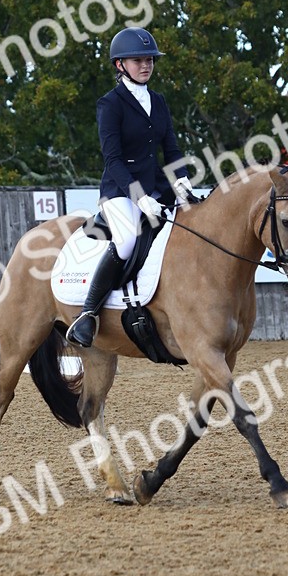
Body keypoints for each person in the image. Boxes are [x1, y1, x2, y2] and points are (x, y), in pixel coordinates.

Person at [66, 26, 194, 347]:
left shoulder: (159, 101)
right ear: (120, 65)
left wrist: (181, 180)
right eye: (138, 60)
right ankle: (88, 314)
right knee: (125, 242)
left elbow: (172, 149)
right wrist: (138, 197)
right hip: (121, 191)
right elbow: (113, 159)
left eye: (149, 59)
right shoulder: (110, 104)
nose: (146, 65)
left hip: (159, 190)